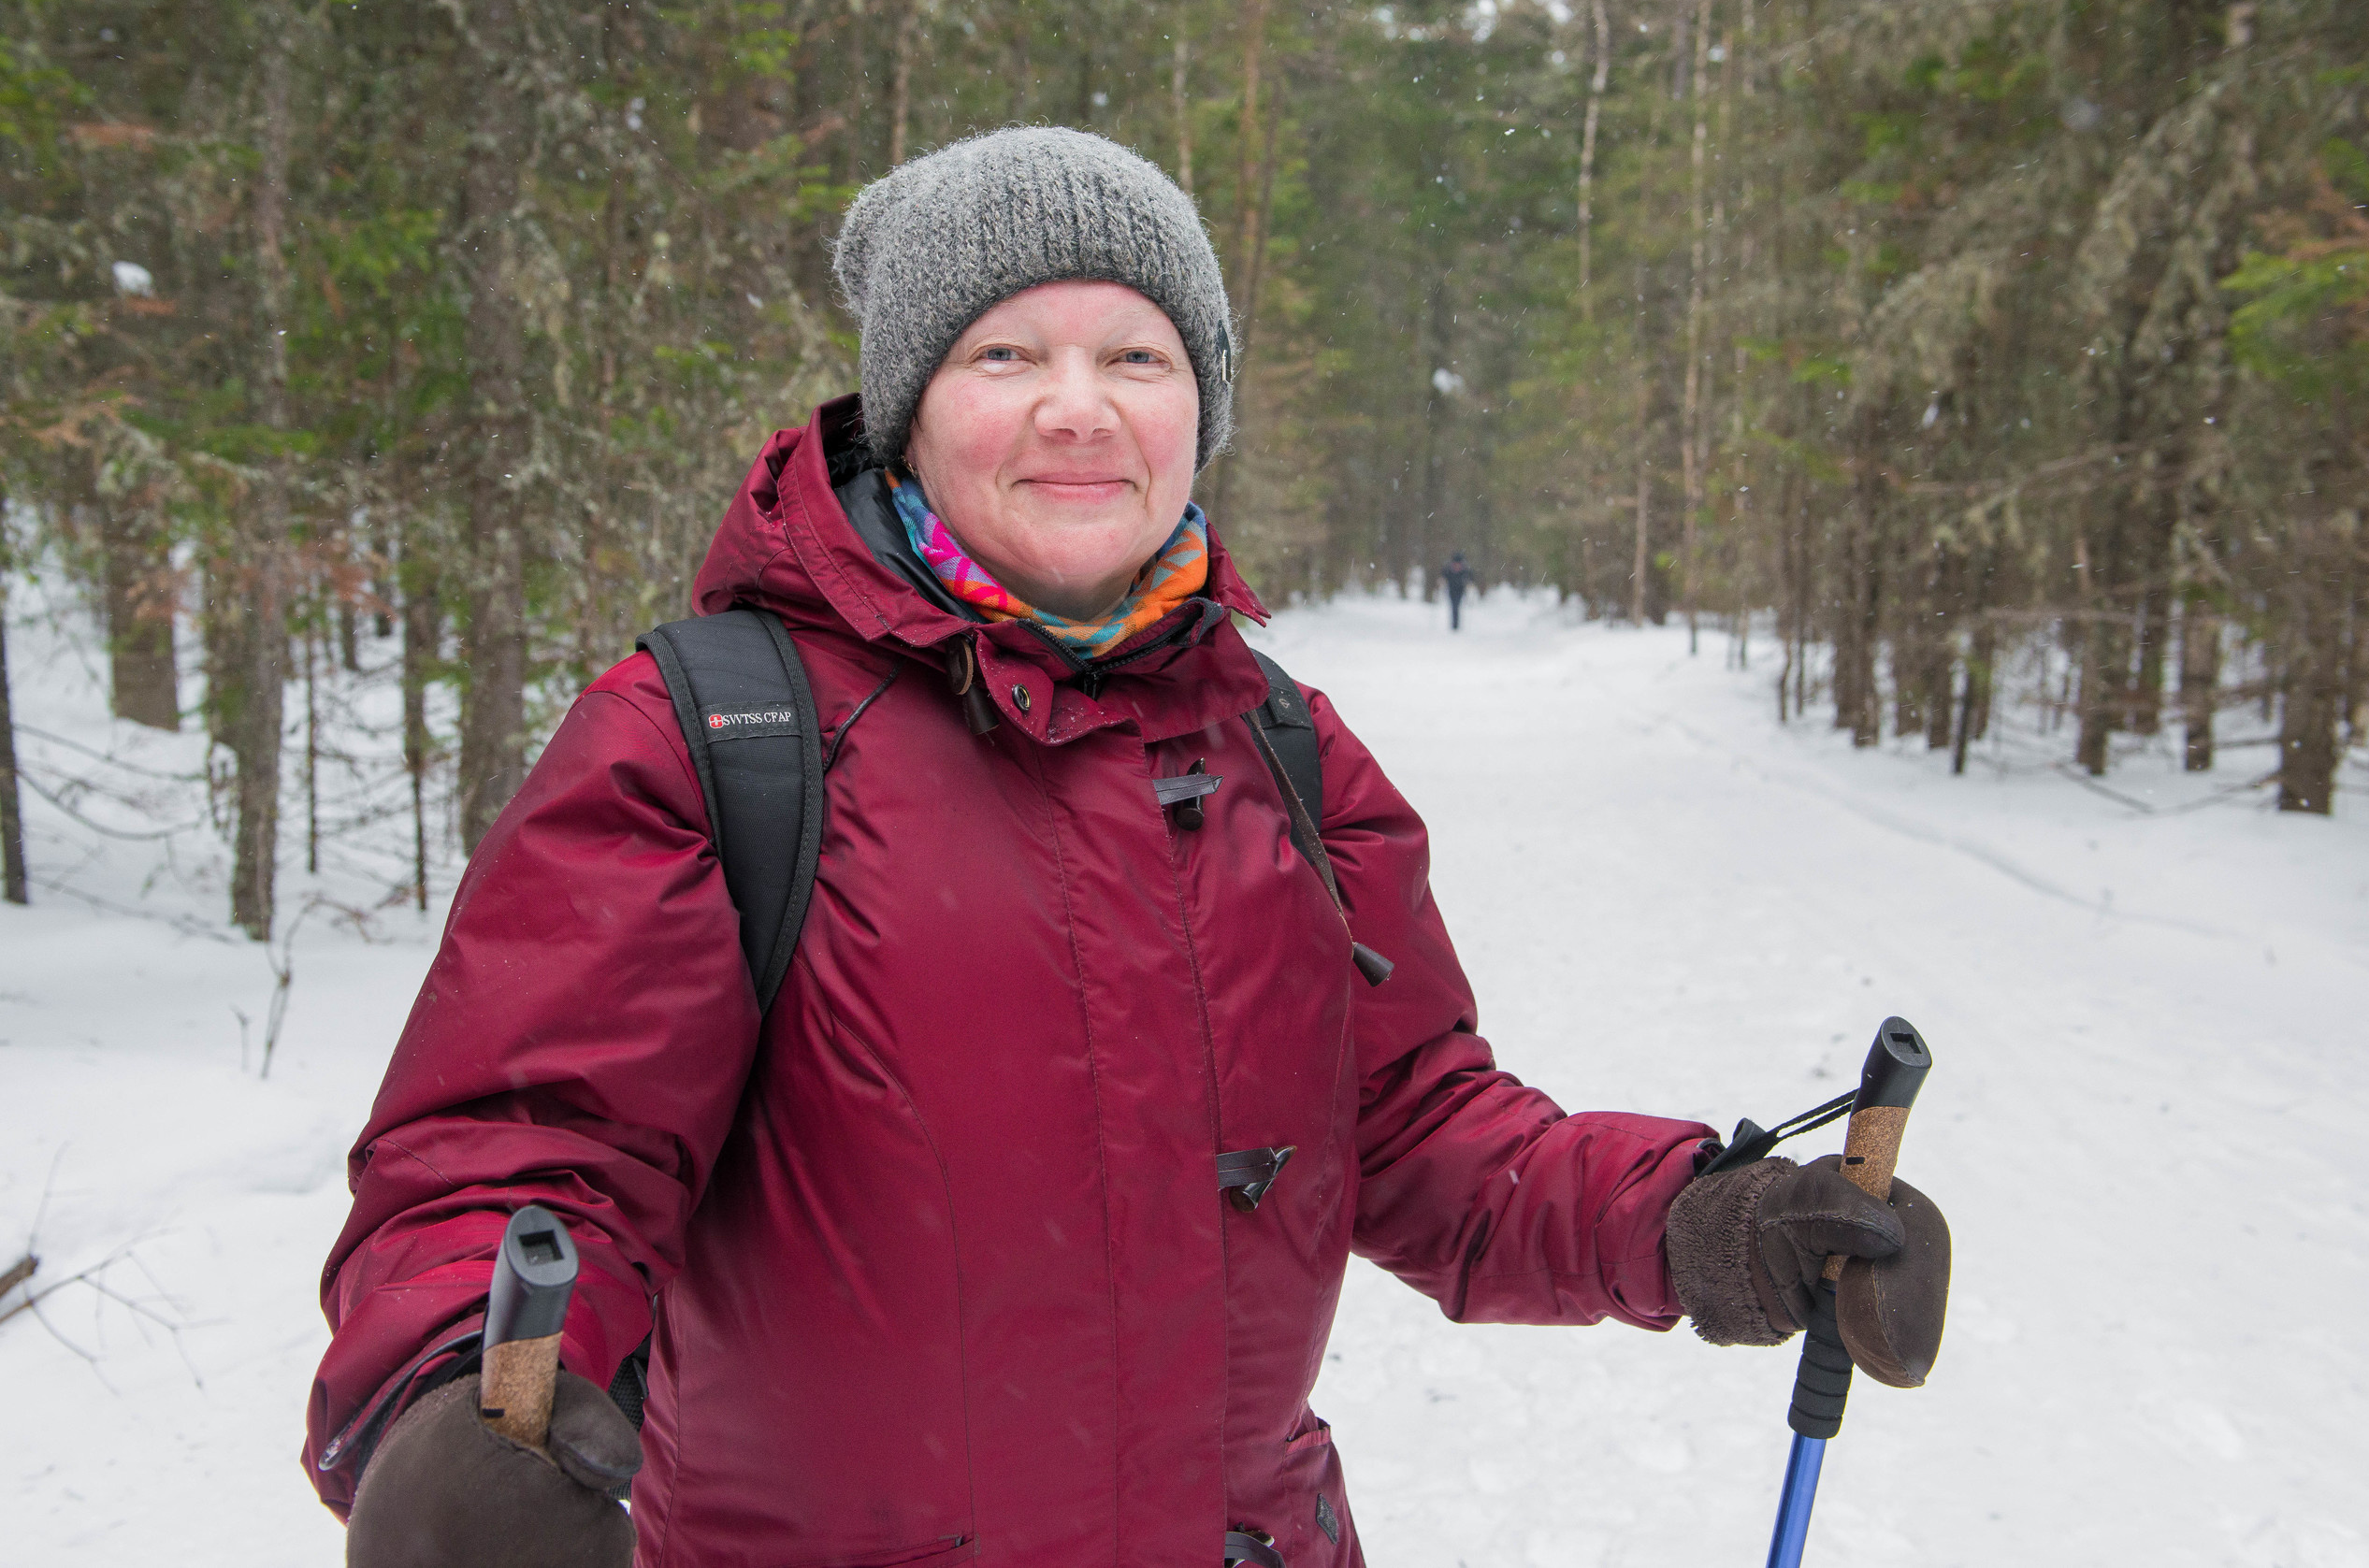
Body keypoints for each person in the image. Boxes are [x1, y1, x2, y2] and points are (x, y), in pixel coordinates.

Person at [307, 128, 1947, 1568]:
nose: (1078, 410)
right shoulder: (716, 736)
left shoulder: (1285, 750)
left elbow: (1426, 1134)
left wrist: (1708, 1219)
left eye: (1137, 357)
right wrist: (460, 1402)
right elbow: (520, 1153)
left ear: (1200, 408)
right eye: (1006, 355)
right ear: (911, 407)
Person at [1439, 551, 1477, 631]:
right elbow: (1443, 576)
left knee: (1457, 605)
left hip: (1460, 590)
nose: (1457, 565)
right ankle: (1454, 624)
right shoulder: (1448, 569)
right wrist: (1442, 581)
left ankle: (1456, 624)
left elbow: (1471, 577)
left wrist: (1470, 583)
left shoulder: (1465, 569)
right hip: (1451, 590)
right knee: (1454, 606)